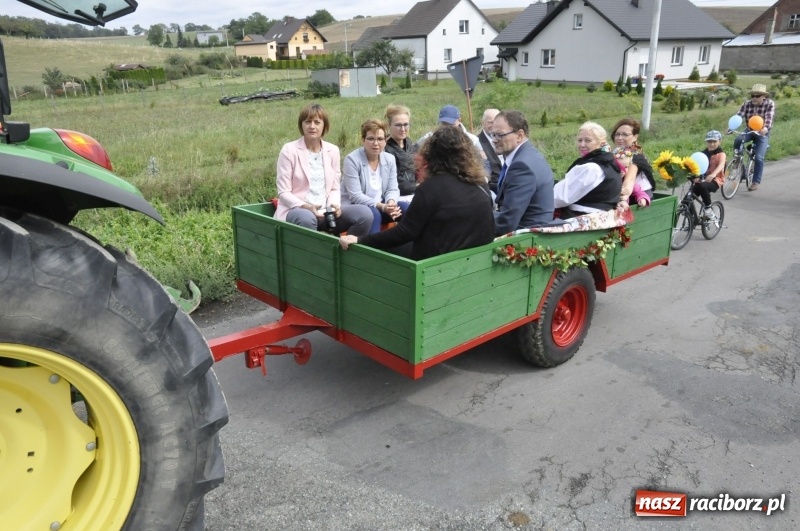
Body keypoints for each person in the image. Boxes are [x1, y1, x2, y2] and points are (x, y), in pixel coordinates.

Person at [338, 125, 494, 260]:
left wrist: (361, 240)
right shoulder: (480, 183)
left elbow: (405, 232)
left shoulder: (430, 188)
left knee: (382, 252)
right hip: (473, 259)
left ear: (431, 154)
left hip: (435, 262)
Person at [275, 103, 372, 236]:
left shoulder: (332, 150)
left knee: (364, 214)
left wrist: (334, 205)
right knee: (306, 219)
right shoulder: (289, 150)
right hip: (297, 210)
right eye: (307, 122)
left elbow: (334, 188)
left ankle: (346, 252)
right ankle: (315, 256)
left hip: (326, 211)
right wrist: (306, 206)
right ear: (301, 125)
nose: (312, 126)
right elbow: (283, 192)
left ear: (324, 126)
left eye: (317, 122)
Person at [491, 110, 555, 234]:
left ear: (520, 135)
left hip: (525, 238)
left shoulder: (521, 166)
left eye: (500, 135)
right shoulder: (529, 154)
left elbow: (507, 221)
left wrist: (474, 224)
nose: (494, 140)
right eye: (493, 135)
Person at [342, 119, 408, 234]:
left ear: (385, 140)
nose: (376, 143)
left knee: (406, 208)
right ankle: (373, 249)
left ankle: (406, 248)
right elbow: (355, 196)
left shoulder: (389, 159)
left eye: (380, 139)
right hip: (356, 206)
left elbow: (392, 188)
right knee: (374, 214)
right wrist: (382, 206)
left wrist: (391, 203)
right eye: (371, 139)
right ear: (363, 140)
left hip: (381, 204)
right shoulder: (352, 160)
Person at [553, 122, 622, 218]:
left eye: (588, 140)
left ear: (601, 143)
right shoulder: (608, 161)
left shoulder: (591, 167)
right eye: (580, 140)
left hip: (580, 218)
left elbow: (561, 198)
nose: (582, 144)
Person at [732, 83, 775, 191]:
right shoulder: (746, 104)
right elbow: (739, 115)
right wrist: (731, 127)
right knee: (738, 140)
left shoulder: (769, 103)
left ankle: (755, 182)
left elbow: (769, 117)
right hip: (750, 130)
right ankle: (737, 160)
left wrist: (765, 128)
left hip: (762, 132)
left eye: (758, 96)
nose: (754, 98)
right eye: (753, 96)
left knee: (759, 158)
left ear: (764, 96)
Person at [610, 118, 655, 205]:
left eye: (625, 135)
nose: (619, 138)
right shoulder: (616, 153)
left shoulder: (634, 155)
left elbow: (629, 180)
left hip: (639, 197)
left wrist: (622, 199)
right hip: (621, 191)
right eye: (617, 134)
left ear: (635, 137)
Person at [383, 104, 419, 197]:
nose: (403, 129)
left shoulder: (410, 145)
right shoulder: (385, 149)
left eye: (406, 124)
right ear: (389, 125)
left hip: (414, 192)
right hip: (396, 197)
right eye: (398, 125)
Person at [691, 130, 726, 219]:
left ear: (719, 141)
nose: (712, 144)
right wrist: (695, 176)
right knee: (687, 200)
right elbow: (697, 165)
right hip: (702, 180)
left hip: (715, 180)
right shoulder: (703, 154)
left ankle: (708, 209)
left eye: (714, 141)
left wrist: (713, 174)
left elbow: (721, 165)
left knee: (703, 187)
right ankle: (691, 220)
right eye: (709, 141)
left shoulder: (721, 154)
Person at [477, 108, 504, 193]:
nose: (494, 125)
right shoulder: (477, 143)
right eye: (490, 122)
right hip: (493, 189)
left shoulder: (506, 138)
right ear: (483, 122)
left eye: (496, 122)